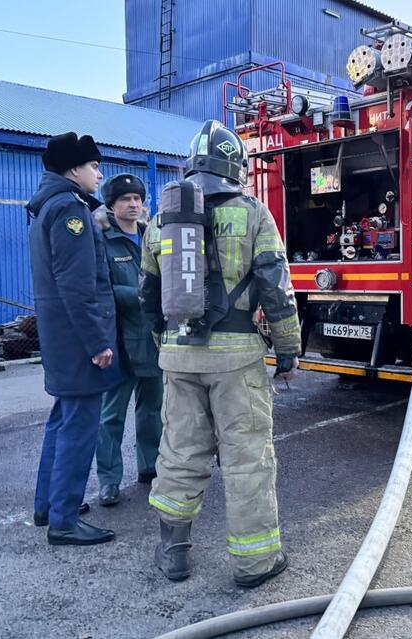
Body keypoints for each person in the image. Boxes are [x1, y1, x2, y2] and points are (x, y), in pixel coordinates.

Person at [139, 120, 302, 587]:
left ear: (191, 167)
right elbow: (276, 286)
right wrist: (288, 351)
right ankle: (255, 563)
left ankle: (173, 555)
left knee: (179, 453)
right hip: (236, 361)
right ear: (237, 168)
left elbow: (147, 296)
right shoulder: (253, 213)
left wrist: (165, 348)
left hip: (177, 355)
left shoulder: (159, 220)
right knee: (247, 457)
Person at [26, 131, 122, 546]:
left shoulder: (48, 205)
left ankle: (49, 505)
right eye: (94, 166)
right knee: (80, 427)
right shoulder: (70, 211)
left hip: (60, 335)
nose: (99, 173)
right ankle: (64, 519)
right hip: (77, 337)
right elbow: (79, 286)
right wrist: (98, 342)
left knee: (61, 421)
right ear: (73, 169)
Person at [93, 174, 163, 507]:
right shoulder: (102, 241)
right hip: (119, 341)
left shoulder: (152, 236)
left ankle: (150, 468)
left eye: (137, 198)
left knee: (152, 409)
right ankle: (109, 480)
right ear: (111, 205)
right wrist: (142, 295)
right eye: (125, 200)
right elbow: (100, 288)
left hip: (152, 338)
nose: (133, 204)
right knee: (112, 416)